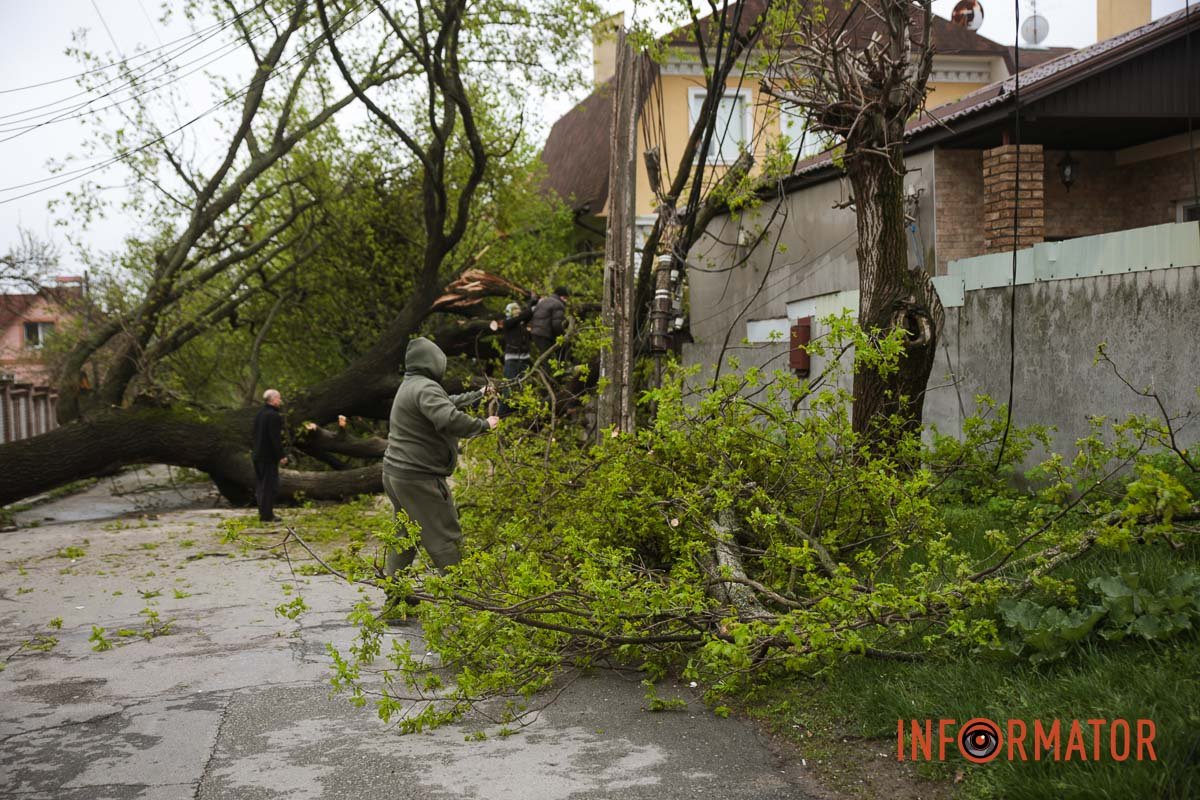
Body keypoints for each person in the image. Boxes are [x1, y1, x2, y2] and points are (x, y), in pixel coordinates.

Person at [381, 337, 499, 616]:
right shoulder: (425, 387)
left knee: (405, 534)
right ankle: (465, 598)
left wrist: (478, 394)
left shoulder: (412, 385)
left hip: (397, 474)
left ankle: (395, 595)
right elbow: (448, 418)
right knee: (444, 533)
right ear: (433, 362)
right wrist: (484, 425)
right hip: (419, 477)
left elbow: (446, 403)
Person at [490, 298, 534, 415]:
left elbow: (528, 315)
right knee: (508, 389)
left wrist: (533, 301)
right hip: (512, 360)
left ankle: (522, 411)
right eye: (514, 309)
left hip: (524, 360)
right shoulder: (508, 323)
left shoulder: (521, 324)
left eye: (517, 309)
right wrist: (531, 303)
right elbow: (525, 315)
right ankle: (501, 415)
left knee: (523, 388)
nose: (517, 311)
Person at [251, 389, 287, 523]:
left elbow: (254, 434)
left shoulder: (259, 414)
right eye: (279, 398)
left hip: (257, 455)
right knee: (269, 486)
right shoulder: (273, 415)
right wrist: (281, 455)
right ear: (273, 400)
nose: (280, 401)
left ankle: (264, 513)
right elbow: (275, 438)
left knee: (261, 485)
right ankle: (267, 515)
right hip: (267, 457)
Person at [528, 286, 570, 355]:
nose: (566, 301)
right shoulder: (558, 304)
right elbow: (556, 324)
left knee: (545, 356)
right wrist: (563, 336)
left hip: (535, 332)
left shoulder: (544, 301)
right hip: (544, 334)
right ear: (562, 296)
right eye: (566, 298)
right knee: (549, 357)